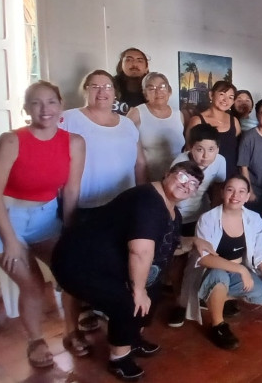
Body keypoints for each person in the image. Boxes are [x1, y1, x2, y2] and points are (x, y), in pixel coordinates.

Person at [51, 162, 204, 381]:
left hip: (108, 258)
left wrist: (194, 241)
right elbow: (140, 251)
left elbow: (167, 243)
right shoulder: (149, 202)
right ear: (167, 173)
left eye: (193, 184)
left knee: (151, 288)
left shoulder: (172, 212)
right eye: (182, 177)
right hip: (79, 262)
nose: (186, 185)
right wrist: (138, 291)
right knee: (129, 299)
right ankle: (118, 359)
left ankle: (131, 339)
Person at [0, 81, 85, 368]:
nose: (45, 109)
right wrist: (10, 240)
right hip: (0, 220)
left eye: (51, 101)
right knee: (33, 284)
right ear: (26, 108)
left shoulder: (74, 142)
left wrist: (70, 229)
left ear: (61, 105)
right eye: (36, 103)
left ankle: (72, 331)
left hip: (44, 219)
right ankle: (35, 340)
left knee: (71, 270)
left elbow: (71, 190)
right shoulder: (11, 141)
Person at [188, 175, 262, 350]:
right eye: (230, 190)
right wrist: (241, 270)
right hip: (213, 269)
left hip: (238, 270)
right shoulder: (208, 218)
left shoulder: (254, 219)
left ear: (247, 196)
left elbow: (261, 254)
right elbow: (205, 258)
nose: (235, 196)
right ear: (222, 192)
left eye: (241, 191)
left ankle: (217, 298)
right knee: (219, 276)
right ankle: (218, 325)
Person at [167, 125, 227, 328]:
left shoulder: (220, 161)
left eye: (211, 150)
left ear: (218, 149)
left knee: (199, 259)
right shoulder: (180, 163)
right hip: (178, 215)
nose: (205, 156)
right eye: (199, 149)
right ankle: (179, 303)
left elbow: (217, 189)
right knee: (178, 261)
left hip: (201, 215)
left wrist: (214, 217)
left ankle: (196, 296)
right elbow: (170, 194)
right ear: (190, 148)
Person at [60, 70, 146, 211]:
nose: (101, 92)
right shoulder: (68, 119)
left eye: (107, 87)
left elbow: (140, 164)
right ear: (86, 90)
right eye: (95, 87)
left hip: (125, 203)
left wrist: (142, 198)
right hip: (85, 206)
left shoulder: (128, 124)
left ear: (114, 92)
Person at [127, 72, 185, 182]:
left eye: (162, 86)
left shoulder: (178, 115)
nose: (158, 91)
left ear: (169, 90)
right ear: (145, 94)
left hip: (177, 180)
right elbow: (127, 152)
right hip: (149, 180)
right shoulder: (137, 113)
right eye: (151, 88)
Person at [186, 80, 241, 181]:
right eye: (222, 94)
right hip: (204, 177)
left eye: (230, 97)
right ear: (211, 95)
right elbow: (188, 150)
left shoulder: (234, 121)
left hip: (231, 175)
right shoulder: (197, 120)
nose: (225, 100)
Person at [112, 47, 149, 115]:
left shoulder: (155, 88)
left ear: (146, 68)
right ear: (121, 66)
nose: (134, 64)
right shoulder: (109, 85)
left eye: (140, 61)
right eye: (128, 60)